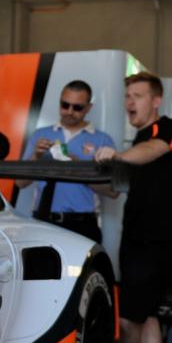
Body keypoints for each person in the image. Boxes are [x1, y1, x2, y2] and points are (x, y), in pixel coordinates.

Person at [94, 72, 172, 343]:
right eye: (127, 95)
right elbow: (115, 189)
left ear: (156, 100)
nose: (129, 102)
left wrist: (117, 154)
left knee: (131, 316)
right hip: (135, 239)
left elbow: (154, 150)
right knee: (145, 315)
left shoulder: (169, 128)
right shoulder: (135, 142)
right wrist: (86, 174)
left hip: (157, 240)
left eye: (137, 95)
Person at [18, 79, 117, 242]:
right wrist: (36, 156)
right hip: (43, 219)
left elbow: (113, 191)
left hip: (83, 223)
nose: (69, 111)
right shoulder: (41, 135)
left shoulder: (102, 140)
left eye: (77, 107)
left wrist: (77, 168)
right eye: (65, 105)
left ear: (89, 108)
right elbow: (20, 183)